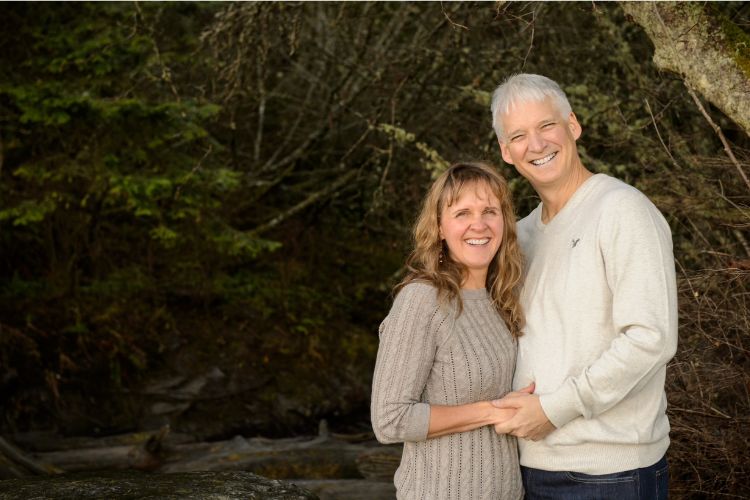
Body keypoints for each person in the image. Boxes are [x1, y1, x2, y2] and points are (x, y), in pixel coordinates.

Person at [489, 73, 678, 499]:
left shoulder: (622, 211)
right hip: (527, 467)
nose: (536, 145)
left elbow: (652, 339)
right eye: (518, 135)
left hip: (611, 476)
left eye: (546, 126)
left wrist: (554, 411)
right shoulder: (520, 236)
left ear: (572, 125)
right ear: (506, 151)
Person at [371, 162, 530, 500]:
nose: (479, 224)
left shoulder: (500, 299)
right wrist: (491, 410)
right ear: (440, 227)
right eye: (462, 213)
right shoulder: (422, 300)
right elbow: (389, 420)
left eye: (490, 211)